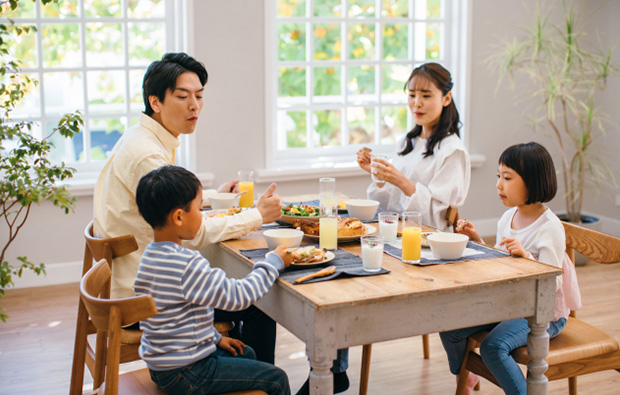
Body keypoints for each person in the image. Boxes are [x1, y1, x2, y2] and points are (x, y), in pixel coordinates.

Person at [93, 52, 282, 363]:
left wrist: (210, 197)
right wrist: (257, 216)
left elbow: (164, 198)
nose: (195, 106)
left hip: (138, 279)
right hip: (146, 300)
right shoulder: (148, 155)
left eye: (199, 96)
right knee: (261, 302)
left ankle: (238, 375)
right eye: (183, 96)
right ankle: (251, 381)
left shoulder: (142, 138)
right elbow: (193, 234)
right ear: (155, 102)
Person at [133, 165, 292, 395]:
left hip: (163, 364)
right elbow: (239, 297)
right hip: (188, 370)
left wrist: (214, 338)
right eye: (199, 210)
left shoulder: (150, 256)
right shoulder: (186, 264)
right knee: (276, 378)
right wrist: (273, 262)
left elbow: (174, 318)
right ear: (179, 217)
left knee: (246, 353)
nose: (203, 215)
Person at [439, 142, 581, 395]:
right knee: (450, 327)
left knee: (494, 347)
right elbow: (501, 260)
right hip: (511, 303)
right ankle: (467, 372)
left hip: (544, 314)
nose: (498, 185)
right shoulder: (508, 217)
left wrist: (526, 256)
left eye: (507, 178)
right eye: (498, 176)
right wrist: (478, 241)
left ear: (533, 181)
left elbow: (552, 285)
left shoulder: (549, 227)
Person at [356, 62, 470, 231]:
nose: (417, 103)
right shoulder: (407, 142)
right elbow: (389, 206)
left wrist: (401, 181)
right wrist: (379, 174)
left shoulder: (453, 151)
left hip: (429, 242)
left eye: (426, 96)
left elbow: (437, 220)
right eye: (412, 95)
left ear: (446, 98)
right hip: (397, 233)